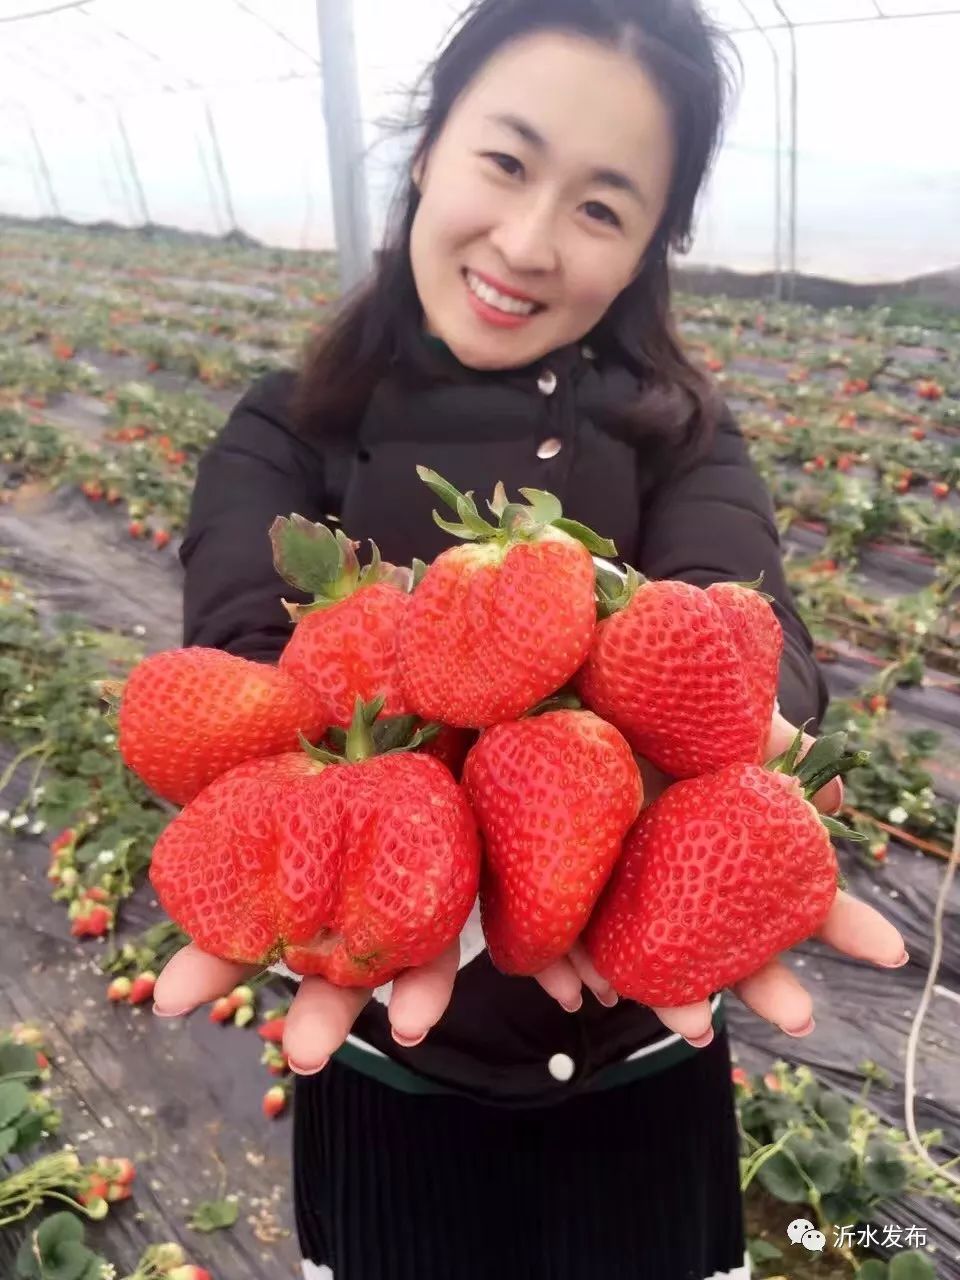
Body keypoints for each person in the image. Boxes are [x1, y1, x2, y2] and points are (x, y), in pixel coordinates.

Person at [154, 2, 908, 1276]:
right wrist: (392, 775)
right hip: (391, 1064)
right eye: (505, 161)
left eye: (602, 207)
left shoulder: (680, 431)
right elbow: (249, 676)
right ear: (427, 147)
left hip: (642, 1070)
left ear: (650, 247)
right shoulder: (290, 427)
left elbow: (747, 625)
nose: (526, 241)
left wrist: (727, 739)